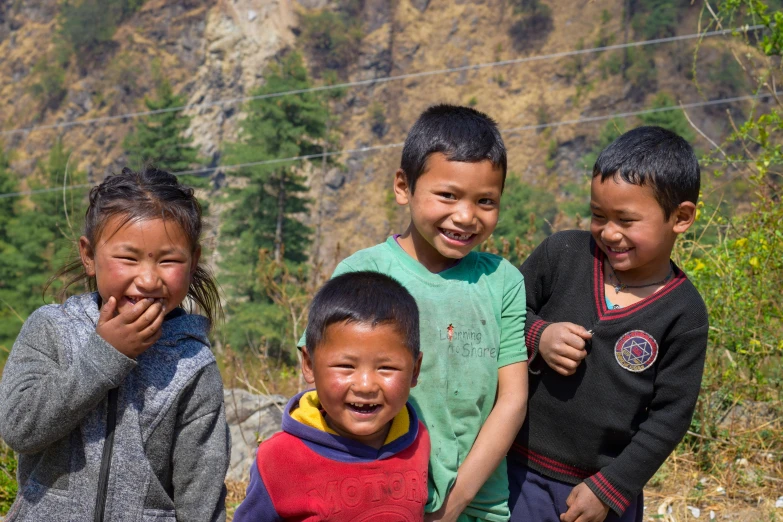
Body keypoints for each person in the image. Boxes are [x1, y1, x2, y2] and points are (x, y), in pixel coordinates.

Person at [300, 104, 529, 522]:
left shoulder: (502, 282)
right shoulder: (364, 272)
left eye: (485, 201)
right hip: (373, 499)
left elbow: (512, 400)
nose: (465, 216)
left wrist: (454, 502)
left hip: (477, 505)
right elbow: (326, 384)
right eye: (447, 195)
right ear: (404, 187)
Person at [0, 167, 229, 522]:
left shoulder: (193, 363)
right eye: (129, 258)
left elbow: (201, 492)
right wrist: (104, 356)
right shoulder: (51, 329)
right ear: (88, 255)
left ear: (194, 261)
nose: (150, 278)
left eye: (169, 260)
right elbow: (19, 429)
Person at [507, 126, 709, 522]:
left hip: (597, 495)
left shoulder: (684, 313)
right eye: (598, 215)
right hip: (515, 471)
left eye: (627, 220)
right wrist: (538, 335)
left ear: (681, 217)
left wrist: (612, 486)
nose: (609, 232)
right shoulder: (562, 255)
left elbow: (670, 416)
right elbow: (502, 312)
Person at [234, 271, 429, 521]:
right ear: (308, 364)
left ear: (415, 370)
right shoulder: (280, 459)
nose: (366, 385)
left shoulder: (416, 440)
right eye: (346, 366)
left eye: (386, 368)